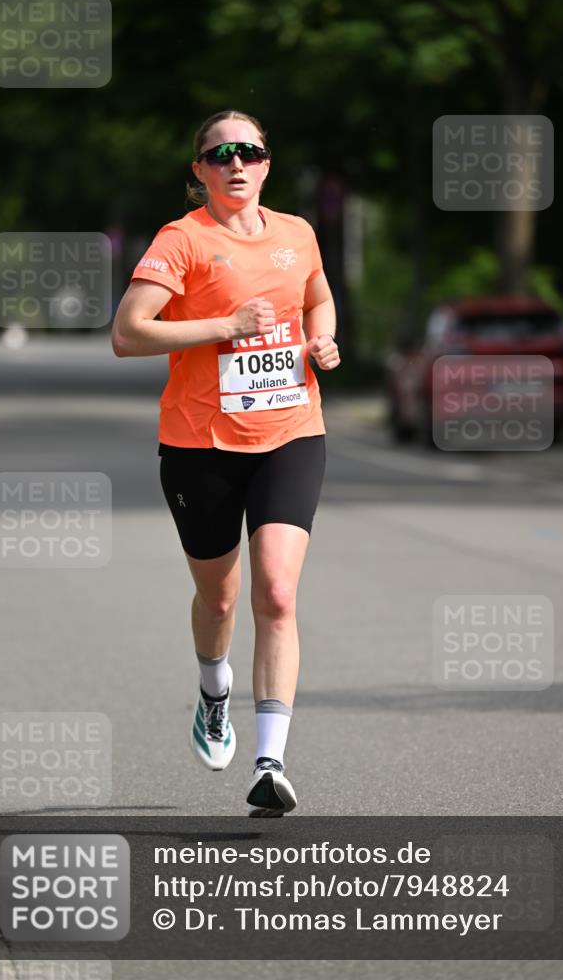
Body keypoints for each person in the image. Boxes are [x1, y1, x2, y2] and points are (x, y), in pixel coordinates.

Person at [112, 109, 340, 817]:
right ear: (200, 171)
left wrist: (323, 342)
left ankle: (269, 761)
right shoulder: (182, 241)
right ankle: (214, 694)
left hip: (291, 432)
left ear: (267, 163)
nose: (236, 164)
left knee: (275, 593)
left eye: (249, 152)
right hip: (198, 443)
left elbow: (318, 301)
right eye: (220, 155)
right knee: (219, 598)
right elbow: (127, 334)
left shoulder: (297, 234)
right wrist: (223, 328)